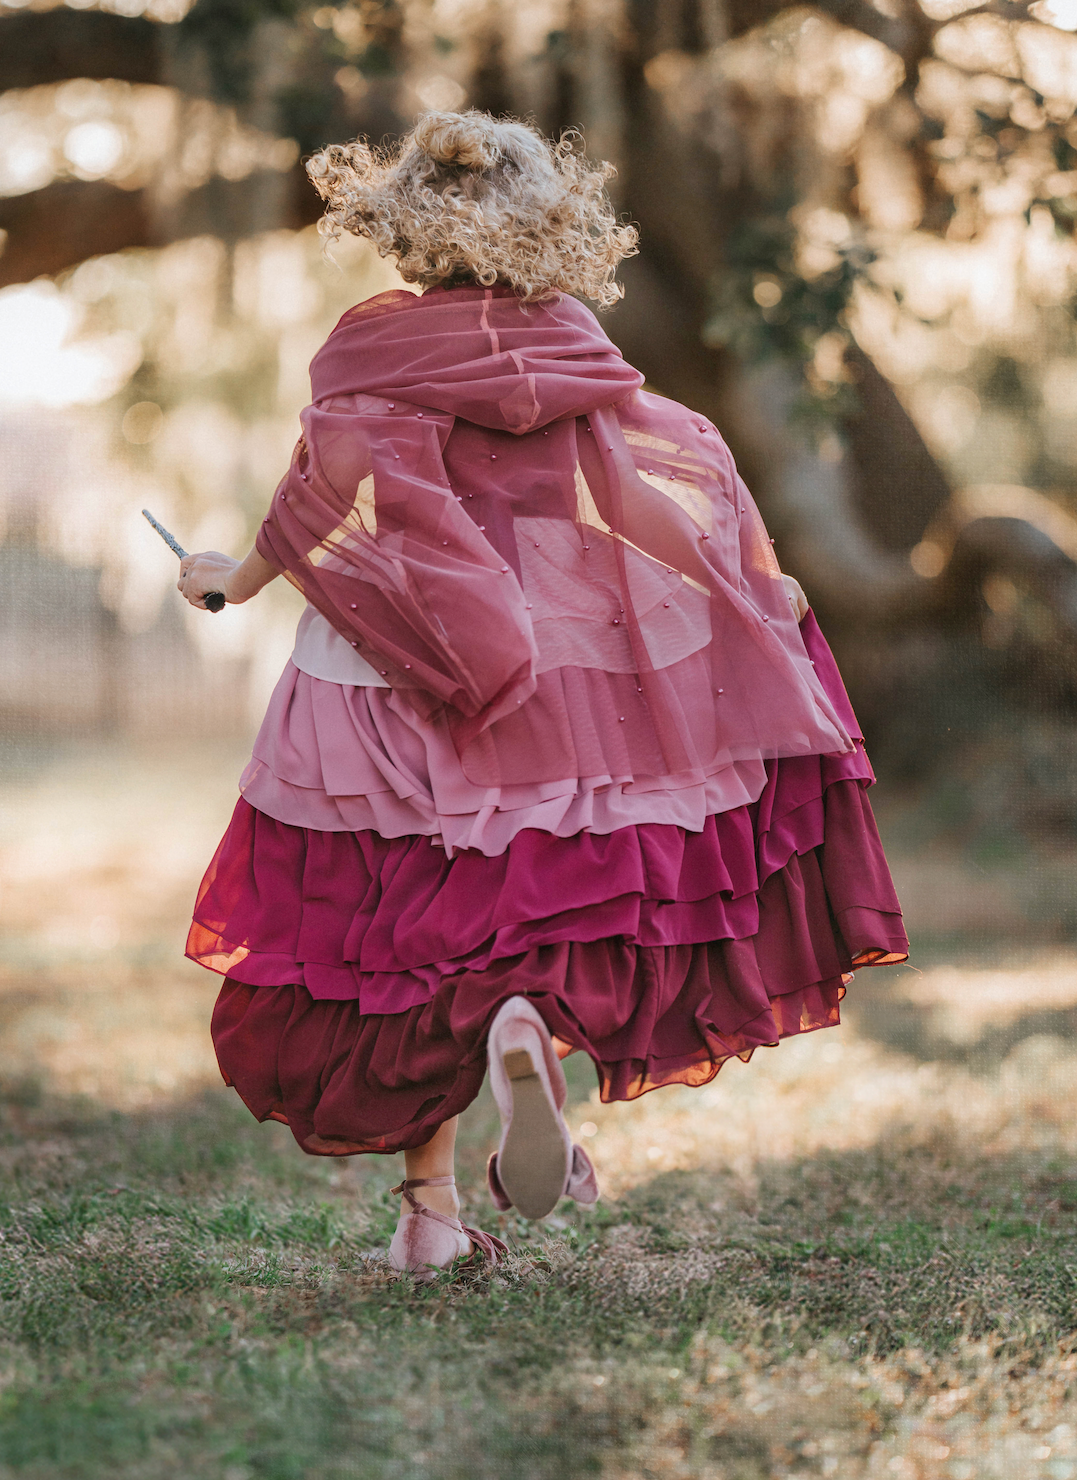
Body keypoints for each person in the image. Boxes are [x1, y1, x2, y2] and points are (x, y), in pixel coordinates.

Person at [176, 109, 908, 1275]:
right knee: (548, 888)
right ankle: (529, 1023)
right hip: (560, 646)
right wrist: (745, 587)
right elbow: (629, 499)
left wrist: (233, 580)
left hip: (398, 652)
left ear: (403, 222)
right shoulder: (565, 345)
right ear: (546, 219)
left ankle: (427, 1214)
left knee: (403, 923)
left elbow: (317, 498)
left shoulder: (372, 350)